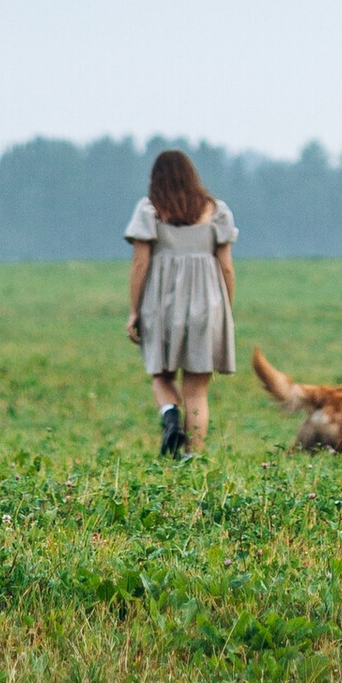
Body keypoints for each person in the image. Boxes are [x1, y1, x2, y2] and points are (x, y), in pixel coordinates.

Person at [124, 148, 237, 456]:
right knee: (197, 389)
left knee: (160, 374)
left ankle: (170, 415)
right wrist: (226, 308)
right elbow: (226, 266)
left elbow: (140, 264)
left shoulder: (148, 211)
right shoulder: (217, 211)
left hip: (161, 304)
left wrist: (134, 310)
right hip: (208, 305)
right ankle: (191, 456)